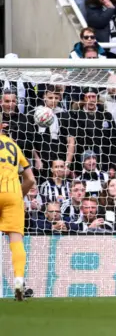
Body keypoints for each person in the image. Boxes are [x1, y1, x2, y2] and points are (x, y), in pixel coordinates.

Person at [0, 113, 36, 300]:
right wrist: (17, 196)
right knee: (16, 240)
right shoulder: (14, 146)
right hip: (13, 194)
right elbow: (30, 179)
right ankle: (19, 280)